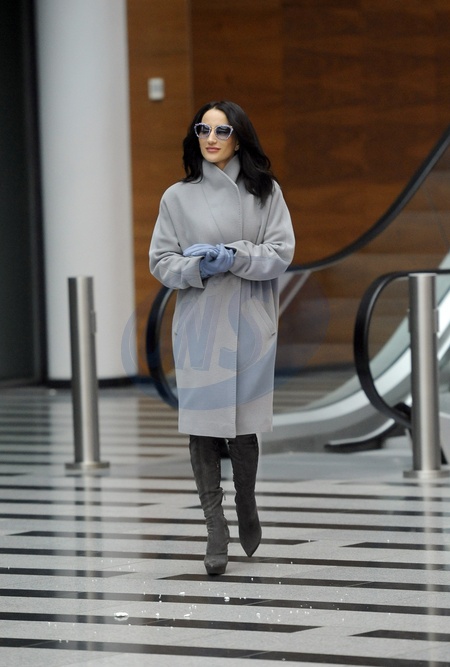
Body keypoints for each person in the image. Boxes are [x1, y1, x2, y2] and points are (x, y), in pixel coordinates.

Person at [149, 100, 295, 575]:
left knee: (243, 425)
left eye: (222, 130)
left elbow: (281, 252)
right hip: (200, 325)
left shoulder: (265, 192)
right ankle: (215, 526)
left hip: (250, 322)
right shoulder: (177, 197)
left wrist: (234, 255)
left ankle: (245, 501)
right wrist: (197, 266)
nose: (211, 139)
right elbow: (161, 262)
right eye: (203, 129)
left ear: (239, 137)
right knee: (202, 427)